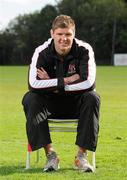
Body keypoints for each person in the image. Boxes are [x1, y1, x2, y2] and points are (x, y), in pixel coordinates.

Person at [22, 14, 100, 173]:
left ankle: (81, 157)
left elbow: (89, 83)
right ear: (52, 34)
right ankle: (51, 156)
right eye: (59, 34)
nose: (63, 38)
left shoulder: (85, 49)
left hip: (77, 106)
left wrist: (52, 83)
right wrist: (67, 80)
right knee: (30, 98)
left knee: (92, 97)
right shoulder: (41, 51)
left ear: (74, 34)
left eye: (68, 34)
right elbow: (34, 84)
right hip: (48, 109)